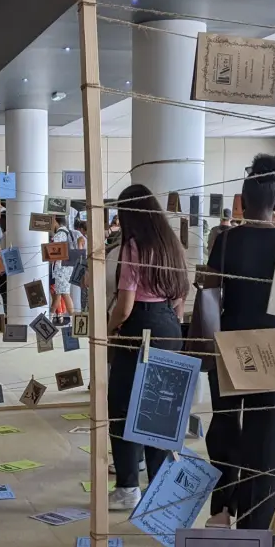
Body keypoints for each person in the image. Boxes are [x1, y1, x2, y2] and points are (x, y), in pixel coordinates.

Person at [204, 154, 275, 530]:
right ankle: (258, 521)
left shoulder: (225, 240)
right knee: (268, 437)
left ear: (241, 202)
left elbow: (210, 294)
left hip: (229, 339)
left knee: (226, 427)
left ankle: (223, 506)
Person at [107, 184, 189, 511]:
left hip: (140, 327)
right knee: (161, 412)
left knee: (123, 408)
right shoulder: (173, 245)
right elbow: (181, 297)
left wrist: (109, 329)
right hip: (170, 326)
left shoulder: (133, 246)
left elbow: (125, 305)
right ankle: (160, 485)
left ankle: (128, 486)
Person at [50, 214, 77, 320]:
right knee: (59, 294)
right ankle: (51, 317)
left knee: (65, 294)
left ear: (55, 221)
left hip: (61, 268)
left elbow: (53, 251)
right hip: (68, 266)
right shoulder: (68, 232)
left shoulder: (60, 234)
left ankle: (73, 319)